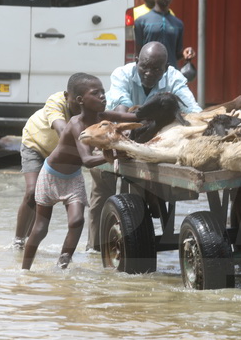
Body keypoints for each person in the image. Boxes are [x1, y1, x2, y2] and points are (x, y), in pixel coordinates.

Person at [86, 41, 202, 251]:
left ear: (165, 68)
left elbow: (193, 110)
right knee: (102, 193)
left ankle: (135, 245)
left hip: (151, 144)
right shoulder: (122, 74)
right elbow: (122, 104)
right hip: (116, 136)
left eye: (156, 69)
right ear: (136, 61)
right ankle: (94, 248)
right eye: (144, 67)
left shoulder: (174, 77)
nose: (149, 73)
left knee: (137, 196)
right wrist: (131, 128)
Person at [21, 74, 111, 271]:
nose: (103, 97)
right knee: (40, 227)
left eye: (103, 92)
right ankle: (24, 269)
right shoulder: (73, 119)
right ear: (78, 99)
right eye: (96, 93)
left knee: (77, 220)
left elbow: (126, 116)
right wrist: (111, 155)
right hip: (47, 165)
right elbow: (85, 157)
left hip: (72, 176)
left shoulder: (100, 117)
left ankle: (63, 263)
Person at [12, 78, 81, 249]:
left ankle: (37, 244)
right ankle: (18, 241)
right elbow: (62, 130)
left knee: (56, 200)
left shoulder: (91, 108)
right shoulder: (56, 101)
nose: (81, 104)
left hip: (59, 154)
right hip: (35, 143)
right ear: (67, 96)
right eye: (77, 99)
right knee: (32, 191)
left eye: (84, 100)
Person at [134, 0, 195, 69]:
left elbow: (177, 54)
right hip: (149, 74)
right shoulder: (141, 21)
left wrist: (185, 53)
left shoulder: (178, 24)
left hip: (170, 75)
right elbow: (137, 52)